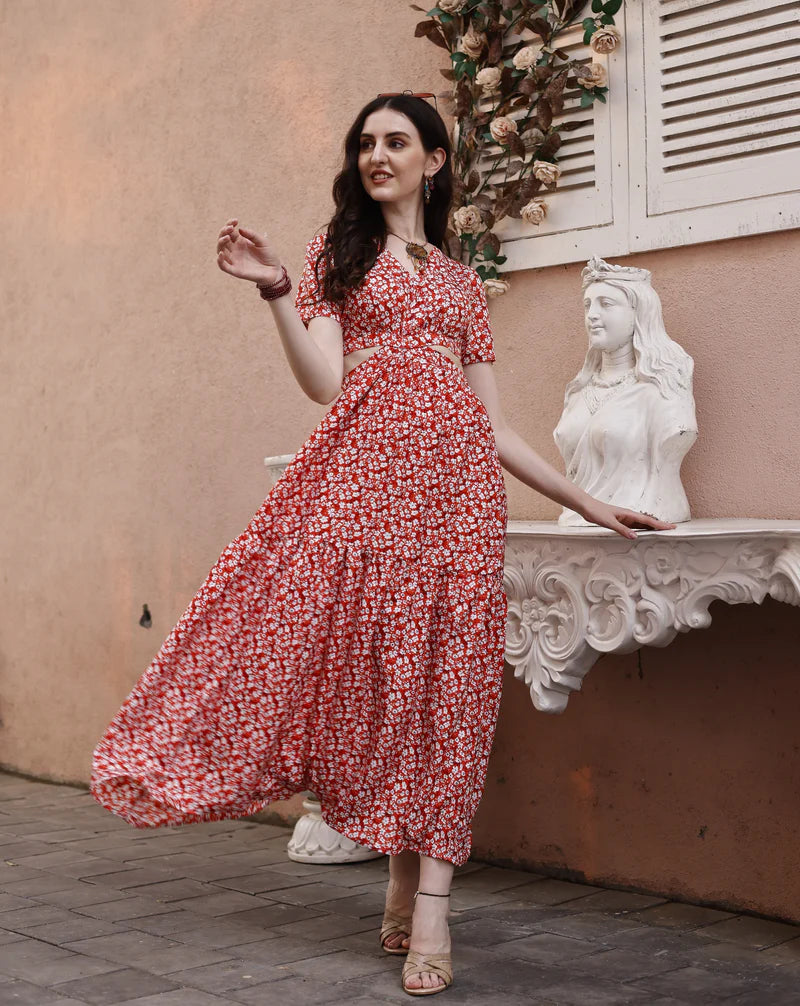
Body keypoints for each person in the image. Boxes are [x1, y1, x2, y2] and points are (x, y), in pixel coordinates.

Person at [90, 93, 676, 997]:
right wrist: (280, 289)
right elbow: (325, 384)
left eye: (396, 141)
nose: (377, 154)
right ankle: (400, 868)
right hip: (369, 497)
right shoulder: (342, 255)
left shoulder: (459, 283)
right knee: (380, 682)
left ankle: (429, 897)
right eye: (365, 142)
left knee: (451, 686)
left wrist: (587, 500)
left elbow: (494, 425)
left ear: (435, 161)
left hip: (458, 507)